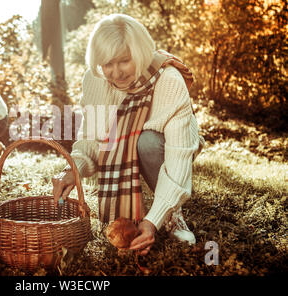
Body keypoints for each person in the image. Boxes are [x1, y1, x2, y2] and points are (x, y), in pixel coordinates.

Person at [52, 14, 205, 256]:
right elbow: (91, 138)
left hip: (164, 144)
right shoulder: (95, 80)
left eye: (124, 61)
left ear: (140, 54)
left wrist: (152, 220)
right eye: (107, 64)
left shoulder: (169, 81)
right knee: (132, 141)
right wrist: (74, 169)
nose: (115, 73)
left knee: (147, 142)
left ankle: (173, 216)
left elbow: (178, 162)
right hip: (123, 147)